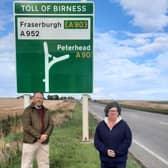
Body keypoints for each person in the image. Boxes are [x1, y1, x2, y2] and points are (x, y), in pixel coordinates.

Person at [94, 101, 132, 168]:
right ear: (107, 112)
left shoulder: (124, 125)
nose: (113, 113)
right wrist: (106, 151)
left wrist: (116, 152)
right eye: (111, 111)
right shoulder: (101, 125)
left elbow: (127, 141)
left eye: (115, 111)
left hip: (120, 161)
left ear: (118, 113)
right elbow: (97, 141)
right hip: (105, 161)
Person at [21, 92, 53, 168]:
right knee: (27, 164)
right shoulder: (28, 110)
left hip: (44, 141)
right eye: (37, 97)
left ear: (43, 99)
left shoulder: (46, 110)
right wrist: (39, 136)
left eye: (41, 98)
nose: (39, 99)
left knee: (44, 164)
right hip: (30, 141)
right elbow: (27, 126)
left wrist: (46, 135)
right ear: (33, 98)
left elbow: (51, 124)